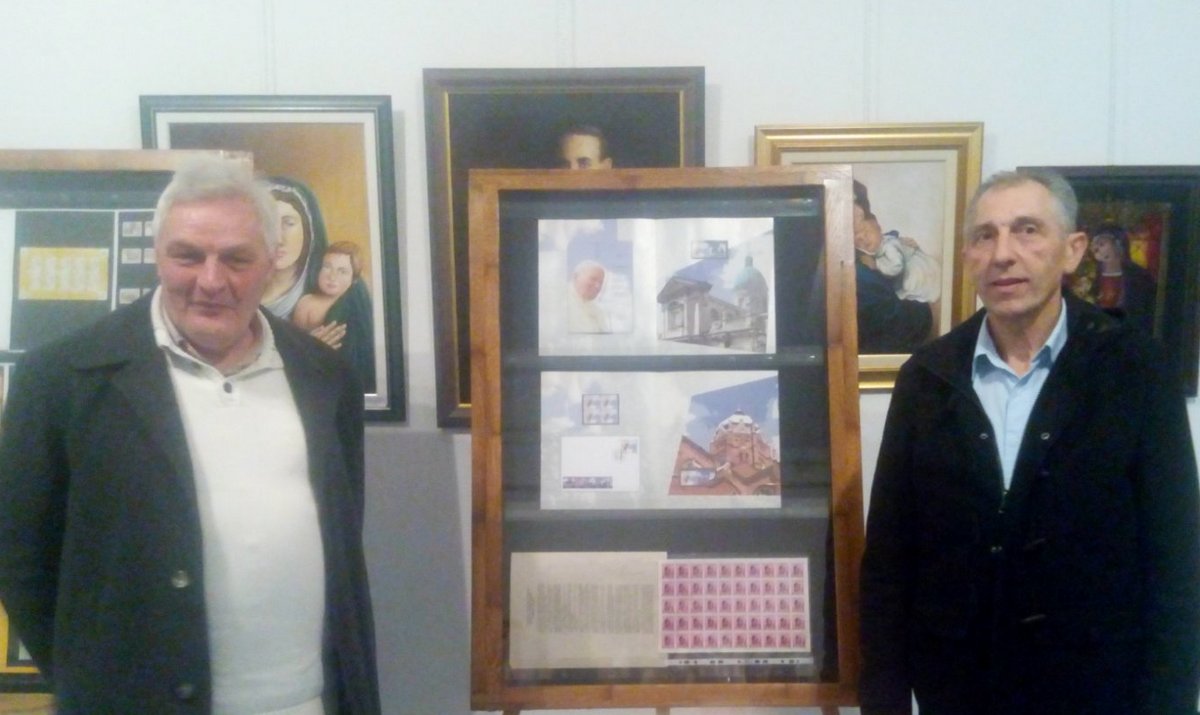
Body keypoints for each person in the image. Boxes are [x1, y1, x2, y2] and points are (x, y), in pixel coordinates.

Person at [0, 157, 381, 713]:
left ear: (271, 260)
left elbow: (343, 540)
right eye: (188, 256)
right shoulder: (62, 379)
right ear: (159, 254)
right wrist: (94, 682)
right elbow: (22, 559)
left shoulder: (327, 377)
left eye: (236, 258)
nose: (211, 281)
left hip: (308, 703)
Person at [859, 168, 1200, 714]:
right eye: (985, 235)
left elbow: (1176, 557)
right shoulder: (926, 377)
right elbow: (890, 555)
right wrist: (884, 701)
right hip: (959, 689)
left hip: (1095, 687)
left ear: (1073, 250)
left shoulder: (1135, 368)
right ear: (967, 257)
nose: (1003, 254)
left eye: (1027, 230)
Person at [852, 180, 935, 353]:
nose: (862, 237)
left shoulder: (885, 248)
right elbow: (904, 322)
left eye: (863, 220)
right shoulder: (859, 275)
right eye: (857, 234)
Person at [294, 241, 377, 391]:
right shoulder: (305, 303)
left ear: (354, 279)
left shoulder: (353, 307)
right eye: (327, 267)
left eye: (342, 271)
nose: (332, 276)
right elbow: (293, 345)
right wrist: (311, 346)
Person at [1084, 222, 1157, 334]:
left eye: (1102, 244)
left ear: (1118, 245)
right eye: (1094, 245)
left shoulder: (1139, 277)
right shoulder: (1088, 274)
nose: (1096, 249)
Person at [855, 212, 941, 304]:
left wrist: (876, 265)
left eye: (867, 233)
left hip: (917, 274)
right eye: (859, 241)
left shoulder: (889, 246)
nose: (864, 239)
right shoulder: (882, 245)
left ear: (878, 228)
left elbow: (896, 266)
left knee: (917, 290)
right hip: (913, 270)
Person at [567, 259, 610, 333]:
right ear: (575, 277)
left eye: (601, 282)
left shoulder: (598, 311)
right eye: (593, 279)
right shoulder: (560, 302)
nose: (597, 286)